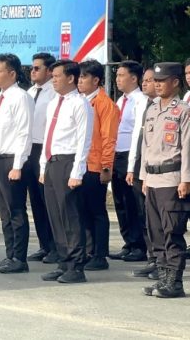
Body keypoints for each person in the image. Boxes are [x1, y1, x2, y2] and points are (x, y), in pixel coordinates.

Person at [39, 60, 93, 284]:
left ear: (71, 78)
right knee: (55, 216)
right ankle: (63, 261)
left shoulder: (80, 104)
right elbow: (47, 137)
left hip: (69, 162)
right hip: (52, 162)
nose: (53, 79)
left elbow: (84, 140)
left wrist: (77, 171)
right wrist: (43, 166)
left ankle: (76, 266)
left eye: (57, 76)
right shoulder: (54, 103)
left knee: (70, 216)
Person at [139, 62, 190, 298]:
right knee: (156, 232)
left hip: (172, 178)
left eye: (162, 81)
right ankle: (162, 279)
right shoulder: (151, 110)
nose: (157, 85)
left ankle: (175, 282)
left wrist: (186, 179)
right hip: (153, 178)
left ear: (175, 82)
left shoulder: (183, 110)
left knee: (172, 232)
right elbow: (145, 146)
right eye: (155, 81)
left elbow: (188, 147)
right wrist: (144, 177)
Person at [0, 54, 34, 274]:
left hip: (11, 160)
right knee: (3, 212)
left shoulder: (20, 97)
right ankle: (9, 254)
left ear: (12, 73)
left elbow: (24, 132)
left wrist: (18, 165)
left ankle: (19, 258)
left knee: (15, 211)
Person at [77, 60, 119, 271]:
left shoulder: (105, 104)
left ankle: (100, 255)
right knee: (82, 211)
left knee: (97, 212)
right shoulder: (82, 101)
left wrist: (106, 167)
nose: (80, 81)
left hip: (95, 167)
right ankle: (88, 250)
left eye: (84, 77)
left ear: (96, 80)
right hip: (81, 166)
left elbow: (108, 138)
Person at [110, 61, 149, 262]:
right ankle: (128, 242)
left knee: (134, 202)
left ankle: (140, 245)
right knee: (120, 201)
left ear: (134, 78)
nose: (118, 79)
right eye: (116, 76)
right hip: (117, 155)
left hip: (131, 156)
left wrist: (133, 163)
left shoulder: (141, 101)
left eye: (122, 75)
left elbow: (137, 134)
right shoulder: (120, 102)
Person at [24, 53, 59, 264]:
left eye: (37, 68)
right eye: (32, 67)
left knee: (48, 200)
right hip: (29, 148)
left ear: (48, 70)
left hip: (45, 148)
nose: (33, 71)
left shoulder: (54, 93)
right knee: (35, 201)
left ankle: (56, 246)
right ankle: (44, 245)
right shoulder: (28, 92)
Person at [128, 67, 159, 279]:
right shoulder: (141, 105)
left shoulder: (164, 108)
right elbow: (135, 140)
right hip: (139, 166)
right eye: (145, 80)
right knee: (143, 215)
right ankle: (152, 258)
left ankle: (161, 260)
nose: (147, 84)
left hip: (155, 170)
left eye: (152, 80)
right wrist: (131, 167)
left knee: (157, 218)